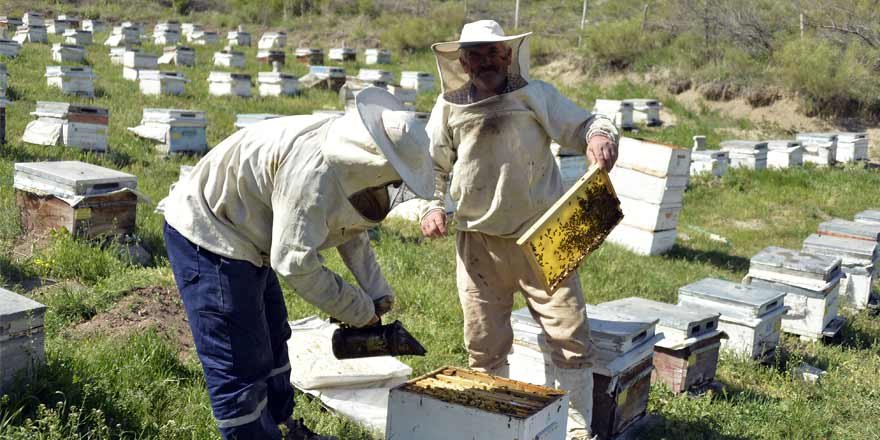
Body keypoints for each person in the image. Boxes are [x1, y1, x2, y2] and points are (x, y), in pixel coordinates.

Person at [161, 88, 433, 440]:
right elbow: (295, 263)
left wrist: (377, 292)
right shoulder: (315, 173)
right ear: (377, 158)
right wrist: (358, 309)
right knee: (239, 362)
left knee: (274, 338)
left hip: (253, 235)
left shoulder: (352, 160)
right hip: (212, 232)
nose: (394, 184)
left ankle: (286, 429)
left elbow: (350, 230)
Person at [419, 20, 620, 440]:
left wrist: (600, 136)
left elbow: (586, 124)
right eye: (474, 54)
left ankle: (578, 429)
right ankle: (495, 423)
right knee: (484, 341)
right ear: (462, 61)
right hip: (478, 241)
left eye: (492, 52)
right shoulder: (448, 106)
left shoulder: (536, 94)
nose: (483, 61)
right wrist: (431, 206)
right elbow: (431, 168)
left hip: (546, 235)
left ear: (507, 55)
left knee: (570, 336)